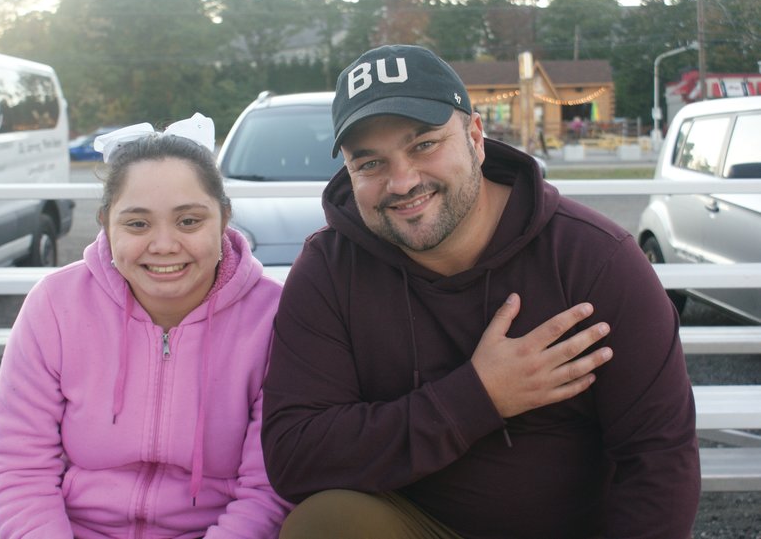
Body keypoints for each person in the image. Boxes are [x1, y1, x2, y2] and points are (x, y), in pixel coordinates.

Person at [261, 45, 700, 538]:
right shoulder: (329, 269)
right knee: (324, 525)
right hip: (419, 525)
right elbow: (296, 457)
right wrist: (479, 396)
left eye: (424, 144)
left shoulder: (593, 259)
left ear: (475, 135)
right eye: (370, 163)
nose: (402, 182)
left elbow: (659, 456)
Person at [0, 114, 292, 538]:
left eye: (189, 221)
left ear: (223, 218)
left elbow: (267, 490)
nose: (164, 245)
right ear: (107, 224)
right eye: (137, 223)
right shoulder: (54, 305)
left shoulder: (274, 319)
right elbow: (21, 469)